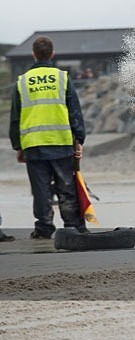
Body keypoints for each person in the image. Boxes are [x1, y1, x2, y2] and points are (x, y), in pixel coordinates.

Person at [8, 36, 87, 239]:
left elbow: (15, 117)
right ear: (52, 54)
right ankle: (72, 226)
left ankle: (44, 228)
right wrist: (79, 139)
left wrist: (18, 146)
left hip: (33, 145)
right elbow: (74, 111)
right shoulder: (62, 77)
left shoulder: (22, 82)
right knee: (66, 187)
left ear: (33, 54)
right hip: (60, 141)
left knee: (40, 190)